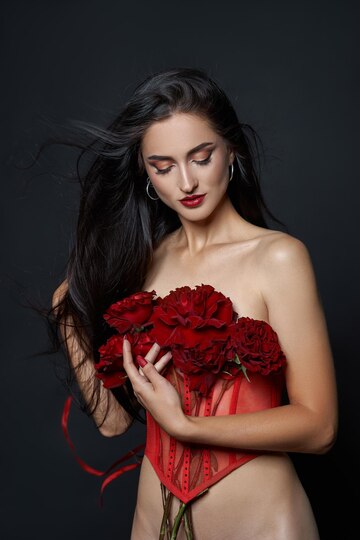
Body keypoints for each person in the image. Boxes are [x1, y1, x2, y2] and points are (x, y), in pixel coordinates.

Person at [50, 67, 338, 539]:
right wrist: (68, 313)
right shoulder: (141, 265)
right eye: (163, 167)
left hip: (263, 523)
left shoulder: (278, 257)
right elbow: (113, 422)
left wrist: (187, 427)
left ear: (231, 152)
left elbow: (320, 427)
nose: (185, 182)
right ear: (146, 174)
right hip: (155, 523)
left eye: (200, 157)